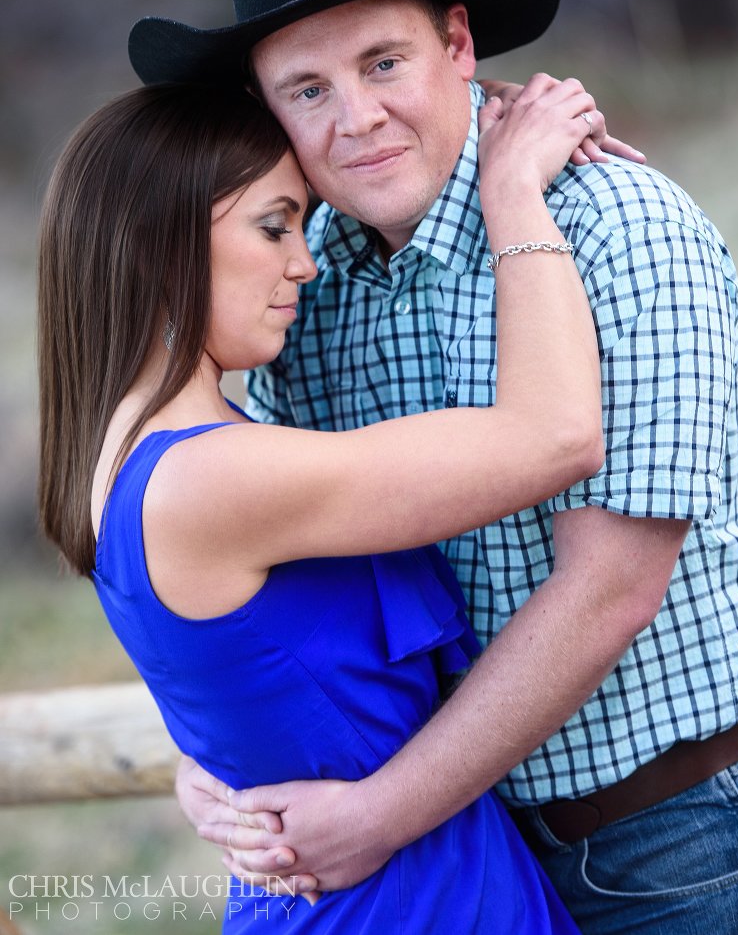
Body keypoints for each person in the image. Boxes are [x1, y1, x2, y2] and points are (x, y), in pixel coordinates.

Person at [130, 0, 738, 935]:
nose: (359, 117)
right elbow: (267, 567)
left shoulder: (618, 226)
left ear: (460, 46)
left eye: (384, 63)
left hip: (680, 833)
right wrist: (209, 769)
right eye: (308, 88)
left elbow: (611, 587)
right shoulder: (308, 282)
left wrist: (381, 815)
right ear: (269, 111)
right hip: (477, 854)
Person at [38, 79, 606, 931]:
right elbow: (557, 437)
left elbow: (241, 682)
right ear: (159, 248)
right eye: (274, 227)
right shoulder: (207, 480)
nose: (303, 262)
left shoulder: (128, 455)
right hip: (403, 906)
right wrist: (513, 190)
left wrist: (210, 770)